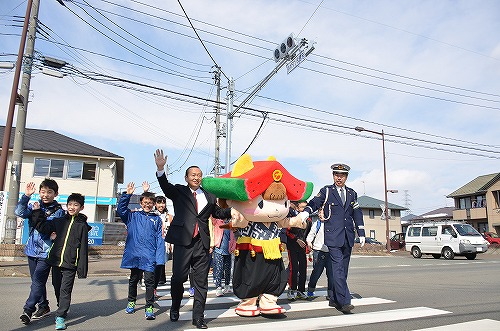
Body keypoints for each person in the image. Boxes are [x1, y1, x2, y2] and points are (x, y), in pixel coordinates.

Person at [154, 149, 242, 329]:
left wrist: (231, 211)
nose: (196, 177)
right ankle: (175, 307)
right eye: (193, 175)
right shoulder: (179, 191)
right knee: (178, 278)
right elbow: (165, 186)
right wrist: (160, 169)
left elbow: (217, 213)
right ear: (186, 178)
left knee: (201, 281)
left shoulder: (209, 195)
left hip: (202, 243)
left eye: (199, 175)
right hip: (183, 242)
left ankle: (198, 317)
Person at [295, 163, 365, 314]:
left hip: (347, 237)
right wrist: (306, 212)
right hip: (333, 237)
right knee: (338, 268)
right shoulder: (327, 191)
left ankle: (333, 298)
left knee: (343, 270)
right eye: (336, 175)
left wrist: (361, 231)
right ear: (333, 176)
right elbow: (315, 202)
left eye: (342, 175)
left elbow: (357, 213)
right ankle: (344, 301)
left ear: (346, 177)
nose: (339, 178)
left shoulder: (352, 193)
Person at [33, 193, 91, 330]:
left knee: (66, 289)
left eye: (75, 205)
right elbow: (42, 227)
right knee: (57, 286)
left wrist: (82, 268)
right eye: (70, 204)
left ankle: (60, 316)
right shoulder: (59, 221)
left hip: (70, 264)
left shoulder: (82, 226)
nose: (72, 207)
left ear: (81, 207)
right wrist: (36, 212)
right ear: (67, 205)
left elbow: (83, 248)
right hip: (55, 261)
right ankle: (62, 305)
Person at [16, 179, 65, 325]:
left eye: (49, 192)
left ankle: (28, 310)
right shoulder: (33, 206)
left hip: (46, 252)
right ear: (39, 192)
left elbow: (51, 229)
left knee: (37, 280)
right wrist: (26, 196)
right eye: (43, 192)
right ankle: (43, 306)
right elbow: (19, 212)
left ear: (55, 194)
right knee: (37, 282)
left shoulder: (59, 212)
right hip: (31, 250)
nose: (45, 195)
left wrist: (38, 215)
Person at [117, 182, 165, 321]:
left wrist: (159, 259)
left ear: (154, 204)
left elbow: (159, 240)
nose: (147, 204)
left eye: (150, 202)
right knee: (133, 280)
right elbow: (121, 210)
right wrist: (128, 194)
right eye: (145, 202)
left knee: (149, 282)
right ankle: (131, 302)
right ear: (140, 202)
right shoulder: (133, 216)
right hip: (135, 254)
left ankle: (149, 306)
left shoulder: (157, 219)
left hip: (149, 256)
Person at [209, 200, 236, 297]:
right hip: (218, 248)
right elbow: (212, 214)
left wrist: (233, 246)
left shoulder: (231, 221)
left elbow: (233, 236)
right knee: (218, 268)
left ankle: (227, 285)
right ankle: (218, 287)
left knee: (228, 268)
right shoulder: (216, 220)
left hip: (229, 249)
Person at [285, 200, 311, 301]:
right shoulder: (293, 218)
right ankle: (291, 290)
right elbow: (287, 231)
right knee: (293, 268)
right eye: (302, 207)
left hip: (303, 247)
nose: (303, 209)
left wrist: (308, 244)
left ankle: (301, 291)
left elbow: (309, 234)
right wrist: (296, 239)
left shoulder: (308, 220)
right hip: (292, 245)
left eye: (305, 207)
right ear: (297, 208)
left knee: (303, 268)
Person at [305, 208, 333, 299]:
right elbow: (310, 235)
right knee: (316, 272)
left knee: (331, 274)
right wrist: (309, 243)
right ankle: (310, 290)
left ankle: (330, 293)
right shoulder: (317, 224)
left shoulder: (332, 223)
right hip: (318, 251)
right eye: (319, 213)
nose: (320, 215)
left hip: (330, 252)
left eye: (322, 213)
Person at [154, 195, 173, 289]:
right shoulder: (153, 214)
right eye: (159, 202)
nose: (161, 205)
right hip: (154, 241)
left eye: (163, 202)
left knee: (163, 260)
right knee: (155, 261)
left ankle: (161, 278)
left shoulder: (169, 216)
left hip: (166, 241)